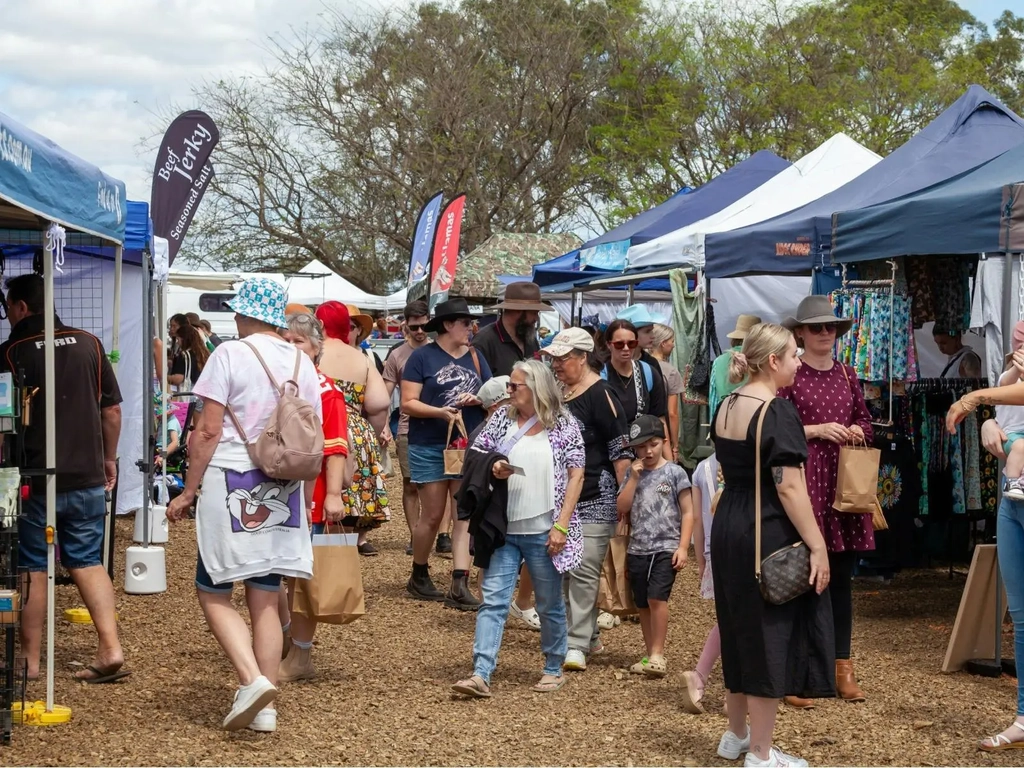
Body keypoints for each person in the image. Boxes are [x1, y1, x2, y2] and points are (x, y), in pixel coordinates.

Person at [165, 278, 321, 732]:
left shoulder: (229, 354)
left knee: (213, 588)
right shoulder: (301, 360)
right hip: (285, 482)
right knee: (266, 595)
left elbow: (207, 431)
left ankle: (252, 680)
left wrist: (188, 490)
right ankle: (265, 707)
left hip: (232, 475)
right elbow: (309, 433)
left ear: (244, 314)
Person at [712, 322, 833, 768]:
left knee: (736, 626)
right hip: (765, 526)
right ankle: (761, 754)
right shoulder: (777, 411)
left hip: (729, 523)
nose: (799, 362)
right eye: (794, 355)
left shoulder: (726, 404)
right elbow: (790, 488)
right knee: (766, 635)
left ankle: (736, 735)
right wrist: (817, 545)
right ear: (774, 361)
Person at [0, 274, 128, 685]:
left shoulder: (9, 352)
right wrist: (109, 459)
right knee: (88, 561)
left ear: (20, 307)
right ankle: (110, 648)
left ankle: (29, 662)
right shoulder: (90, 343)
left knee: (33, 567)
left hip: (34, 478)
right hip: (88, 473)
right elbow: (112, 411)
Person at [452, 360, 585, 697]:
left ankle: (554, 666)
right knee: (493, 601)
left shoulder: (565, 424)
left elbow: (576, 475)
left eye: (514, 386)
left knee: (549, 603)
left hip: (545, 529)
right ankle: (481, 672)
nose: (508, 391)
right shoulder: (501, 419)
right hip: (503, 527)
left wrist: (562, 525)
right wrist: (493, 464)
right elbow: (475, 453)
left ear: (536, 388)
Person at [780, 295, 873, 706]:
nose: (824, 333)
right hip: (805, 482)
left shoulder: (848, 374)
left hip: (843, 485)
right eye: (816, 327)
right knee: (803, 580)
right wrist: (817, 430)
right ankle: (800, 672)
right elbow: (777, 429)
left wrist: (855, 431)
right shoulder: (790, 375)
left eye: (830, 327)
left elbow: (868, 423)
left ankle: (841, 666)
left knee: (841, 581)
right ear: (799, 332)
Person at [542, 328, 631, 670]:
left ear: (582, 358)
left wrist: (626, 499)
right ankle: (588, 635)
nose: (556, 365)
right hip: (563, 496)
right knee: (565, 567)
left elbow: (620, 450)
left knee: (582, 570)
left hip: (597, 493)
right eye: (553, 359)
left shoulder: (601, 394)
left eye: (562, 359)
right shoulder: (561, 393)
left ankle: (575, 642)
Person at [946, 372, 1024, 751]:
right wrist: (992, 422)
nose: (1020, 332)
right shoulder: (1011, 373)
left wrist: (975, 398)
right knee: (1022, 618)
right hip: (1014, 499)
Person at [403, 298, 492, 608]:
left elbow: (494, 398)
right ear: (447, 325)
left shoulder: (477, 358)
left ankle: (459, 580)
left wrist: (478, 398)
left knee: (463, 513)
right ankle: (419, 571)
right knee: (432, 515)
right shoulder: (421, 358)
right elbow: (408, 402)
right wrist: (441, 412)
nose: (471, 328)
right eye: (465, 323)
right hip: (428, 444)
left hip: (466, 445)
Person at [277, 310, 350, 683]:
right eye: (286, 341)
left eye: (299, 341)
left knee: (302, 578)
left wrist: (334, 495)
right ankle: (288, 639)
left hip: (313, 495)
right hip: (275, 492)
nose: (292, 347)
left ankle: (301, 655)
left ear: (316, 348)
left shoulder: (327, 391)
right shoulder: (276, 383)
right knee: (276, 573)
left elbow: (336, 448)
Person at [472, 283, 551, 619]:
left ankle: (513, 599)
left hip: (529, 433)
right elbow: (479, 395)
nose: (534, 318)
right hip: (497, 435)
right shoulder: (485, 342)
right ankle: (488, 597)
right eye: (530, 312)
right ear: (513, 311)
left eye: (535, 312)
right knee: (492, 517)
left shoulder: (530, 340)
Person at [616, 414, 694, 678]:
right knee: (642, 603)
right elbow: (622, 507)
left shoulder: (675, 472)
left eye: (653, 444)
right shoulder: (632, 472)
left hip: (666, 546)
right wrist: (634, 479)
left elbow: (688, 511)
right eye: (641, 446)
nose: (648, 451)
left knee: (656, 597)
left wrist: (683, 547)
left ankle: (658, 653)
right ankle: (651, 654)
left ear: (663, 441)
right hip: (638, 547)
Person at [316, 302, 391, 556]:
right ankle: (339, 565)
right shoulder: (361, 358)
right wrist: (371, 430)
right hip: (355, 433)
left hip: (319, 428)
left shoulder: (313, 352)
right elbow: (380, 403)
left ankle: (310, 568)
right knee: (348, 510)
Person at [383, 301, 433, 554]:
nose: (420, 331)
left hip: (437, 426)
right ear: (406, 325)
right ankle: (416, 535)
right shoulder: (397, 355)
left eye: (424, 326)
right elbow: (385, 393)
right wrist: (381, 425)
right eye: (415, 327)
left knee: (436, 485)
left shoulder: (438, 351)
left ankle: (436, 531)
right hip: (407, 426)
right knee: (410, 483)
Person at [682, 452, 723, 714]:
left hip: (714, 549)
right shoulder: (751, 457)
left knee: (728, 619)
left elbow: (697, 519)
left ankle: (700, 677)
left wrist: (700, 561)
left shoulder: (701, 468)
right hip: (747, 550)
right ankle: (735, 690)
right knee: (740, 624)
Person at [472, 282, 549, 376]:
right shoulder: (483, 342)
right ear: (518, 311)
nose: (536, 319)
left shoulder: (530, 339)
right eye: (534, 313)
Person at [710, 314, 761, 420]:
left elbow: (713, 400)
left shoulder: (718, 361)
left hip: (724, 422)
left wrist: (713, 427)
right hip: (754, 422)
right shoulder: (762, 360)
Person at [995, 321, 1024, 500]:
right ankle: (1012, 482)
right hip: (1011, 434)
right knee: (1021, 447)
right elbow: (1005, 384)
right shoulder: (1008, 379)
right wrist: (1016, 367)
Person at [648, 323, 686, 463]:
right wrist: (675, 446)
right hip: (661, 435)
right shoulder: (670, 371)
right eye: (672, 341)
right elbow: (672, 413)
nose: (673, 345)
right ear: (663, 343)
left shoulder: (640, 365)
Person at [168, 318, 210, 390]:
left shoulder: (184, 355)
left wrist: (164, 377)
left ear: (184, 339)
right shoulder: (203, 353)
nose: (177, 342)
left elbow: (178, 378)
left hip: (187, 392)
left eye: (178, 339)